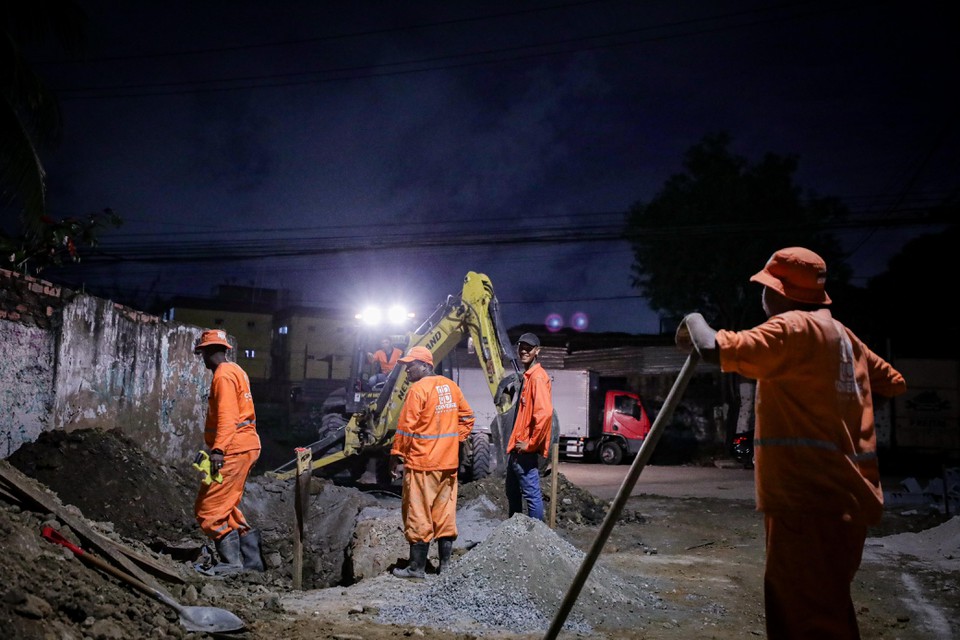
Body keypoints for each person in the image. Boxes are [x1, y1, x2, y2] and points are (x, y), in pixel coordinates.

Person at [675, 247, 906, 639]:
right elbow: (893, 383)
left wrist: (692, 319)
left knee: (803, 620)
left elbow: (713, 346)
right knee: (827, 608)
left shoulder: (791, 329)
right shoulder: (844, 337)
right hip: (848, 500)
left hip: (806, 500)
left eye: (765, 287)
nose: (762, 295)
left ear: (781, 293)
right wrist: (836, 412)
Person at [389, 345, 475, 579]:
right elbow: (468, 418)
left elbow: (406, 429)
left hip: (422, 464)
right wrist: (451, 441)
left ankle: (416, 568)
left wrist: (397, 456)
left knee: (418, 513)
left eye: (410, 366)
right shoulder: (451, 386)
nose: (407, 370)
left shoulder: (418, 390)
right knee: (445, 513)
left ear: (425, 365)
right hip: (447, 465)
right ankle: (445, 567)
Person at [193, 329, 265, 575]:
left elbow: (227, 417)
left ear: (209, 351)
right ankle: (252, 565)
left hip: (233, 448)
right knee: (227, 506)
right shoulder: (237, 370)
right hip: (245, 445)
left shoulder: (222, 376)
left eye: (203, 353)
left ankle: (231, 564)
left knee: (209, 510)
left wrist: (218, 450)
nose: (202, 358)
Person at [505, 332, 553, 521]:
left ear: (537, 351)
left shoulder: (537, 378)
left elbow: (544, 414)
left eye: (529, 348)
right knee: (512, 492)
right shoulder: (528, 377)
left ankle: (537, 539)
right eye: (521, 347)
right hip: (517, 448)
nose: (523, 350)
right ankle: (515, 534)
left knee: (531, 496)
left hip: (524, 450)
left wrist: (530, 444)